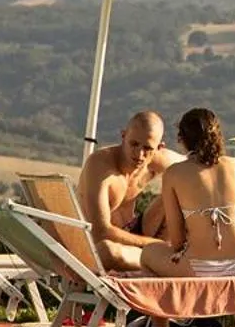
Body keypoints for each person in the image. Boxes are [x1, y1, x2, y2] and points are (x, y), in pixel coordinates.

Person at [140, 107, 235, 327]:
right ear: (218, 135)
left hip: (202, 267)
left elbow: (177, 240)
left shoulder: (174, 174)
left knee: (148, 255)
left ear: (182, 139)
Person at [77, 110, 180, 273]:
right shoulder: (100, 165)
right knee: (107, 252)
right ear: (123, 136)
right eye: (134, 144)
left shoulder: (159, 161)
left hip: (139, 235)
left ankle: (165, 260)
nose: (139, 154)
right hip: (102, 243)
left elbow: (197, 165)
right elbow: (100, 232)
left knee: (178, 190)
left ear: (159, 148)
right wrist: (158, 245)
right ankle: (166, 262)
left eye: (147, 148)